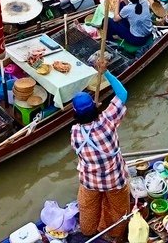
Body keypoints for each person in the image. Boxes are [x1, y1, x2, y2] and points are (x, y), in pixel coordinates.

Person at [70, 67, 130, 242]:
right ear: (95, 108)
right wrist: (106, 72)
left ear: (75, 114)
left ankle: (88, 232)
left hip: (90, 181)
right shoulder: (108, 121)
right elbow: (122, 94)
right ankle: (115, 235)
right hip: (115, 179)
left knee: (87, 208)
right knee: (119, 209)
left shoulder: (75, 132)